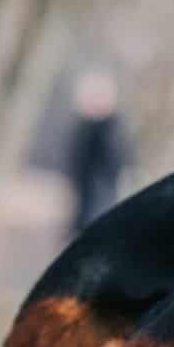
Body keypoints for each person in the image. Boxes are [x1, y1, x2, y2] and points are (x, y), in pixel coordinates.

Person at [64, 70, 131, 233]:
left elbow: (115, 165)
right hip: (87, 200)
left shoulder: (109, 130)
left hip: (98, 203)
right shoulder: (91, 127)